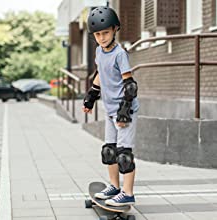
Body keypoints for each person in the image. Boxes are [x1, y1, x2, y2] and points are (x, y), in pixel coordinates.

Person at [82, 6, 139, 207]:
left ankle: (128, 192)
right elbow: (100, 74)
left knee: (124, 155)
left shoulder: (120, 54)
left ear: (115, 29)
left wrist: (125, 110)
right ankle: (114, 187)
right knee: (109, 151)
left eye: (105, 33)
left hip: (124, 111)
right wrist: (91, 96)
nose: (102, 37)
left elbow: (130, 85)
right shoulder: (99, 52)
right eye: (98, 34)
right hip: (109, 109)